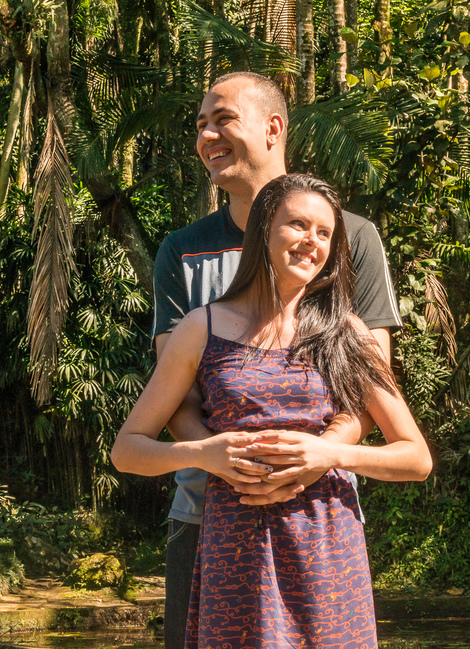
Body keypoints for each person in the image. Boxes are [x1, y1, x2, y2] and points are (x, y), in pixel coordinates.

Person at [112, 173, 432, 649]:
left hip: (327, 542)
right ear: (263, 230)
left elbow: (416, 457)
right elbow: (127, 450)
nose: (312, 242)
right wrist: (205, 453)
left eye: (325, 233)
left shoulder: (347, 333)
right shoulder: (201, 328)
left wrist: (329, 455)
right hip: (235, 546)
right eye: (299, 225)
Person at [151, 72, 402, 649]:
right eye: (200, 125)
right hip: (207, 514)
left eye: (222, 119)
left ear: (273, 128)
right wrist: (228, 462)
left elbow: (369, 387)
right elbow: (172, 402)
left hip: (321, 515)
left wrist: (313, 458)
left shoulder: (348, 238)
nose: (207, 135)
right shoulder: (181, 251)